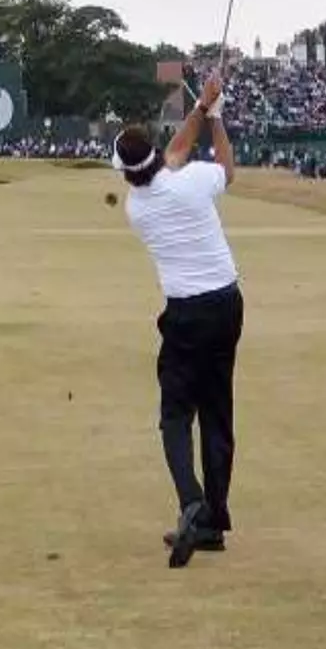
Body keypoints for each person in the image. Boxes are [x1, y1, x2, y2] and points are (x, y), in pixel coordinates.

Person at [110, 76, 243, 569]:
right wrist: (216, 117)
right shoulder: (191, 181)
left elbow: (174, 152)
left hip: (186, 314)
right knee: (217, 414)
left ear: (127, 173)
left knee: (175, 416)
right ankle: (211, 522)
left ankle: (192, 503)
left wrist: (203, 107)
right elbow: (226, 168)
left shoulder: (137, 207)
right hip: (226, 303)